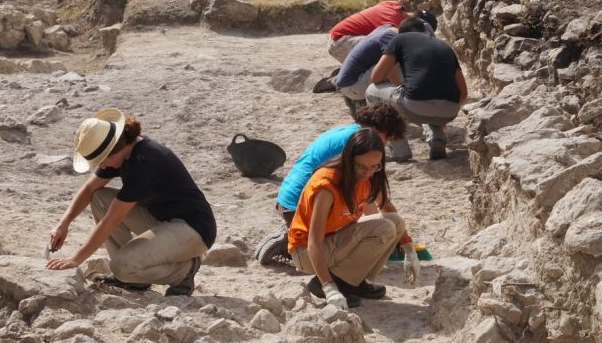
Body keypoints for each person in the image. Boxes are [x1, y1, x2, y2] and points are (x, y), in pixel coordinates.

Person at [46, 108, 216, 297]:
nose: (100, 166)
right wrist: (64, 223)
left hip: (193, 229)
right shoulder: (123, 153)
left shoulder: (146, 161)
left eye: (101, 161)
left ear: (113, 149)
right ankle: (135, 279)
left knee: (121, 266)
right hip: (162, 219)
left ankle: (183, 272)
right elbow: (89, 189)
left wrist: (76, 259)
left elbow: (112, 219)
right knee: (99, 197)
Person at [256, 103, 418, 293]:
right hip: (301, 204)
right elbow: (368, 207)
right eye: (386, 138)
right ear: (377, 129)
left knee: (385, 224)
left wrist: (407, 245)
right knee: (376, 228)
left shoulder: (358, 150)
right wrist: (374, 239)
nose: (385, 144)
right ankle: (338, 278)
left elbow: (379, 202)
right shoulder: (355, 148)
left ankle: (351, 277)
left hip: (294, 200)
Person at [288, 128, 414, 309]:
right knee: (384, 228)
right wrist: (329, 287)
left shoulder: (368, 175)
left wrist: (409, 248)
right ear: (348, 160)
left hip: (336, 240)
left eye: (374, 167)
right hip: (307, 253)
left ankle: (356, 282)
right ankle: (333, 283)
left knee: (395, 222)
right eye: (361, 167)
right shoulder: (327, 186)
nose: (367, 173)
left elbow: (387, 207)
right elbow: (313, 243)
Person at [366, 17, 468, 161]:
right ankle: (437, 138)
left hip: (415, 107)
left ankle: (400, 151)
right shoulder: (445, 46)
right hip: (450, 111)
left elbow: (376, 77)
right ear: (423, 31)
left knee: (371, 91)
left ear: (401, 32)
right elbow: (463, 92)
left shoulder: (399, 40)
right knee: (428, 93)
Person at [328, 1, 438, 63]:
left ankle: (349, 68)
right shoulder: (393, 25)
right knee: (387, 54)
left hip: (340, 37)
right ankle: (338, 80)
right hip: (339, 43)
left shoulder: (393, 5)